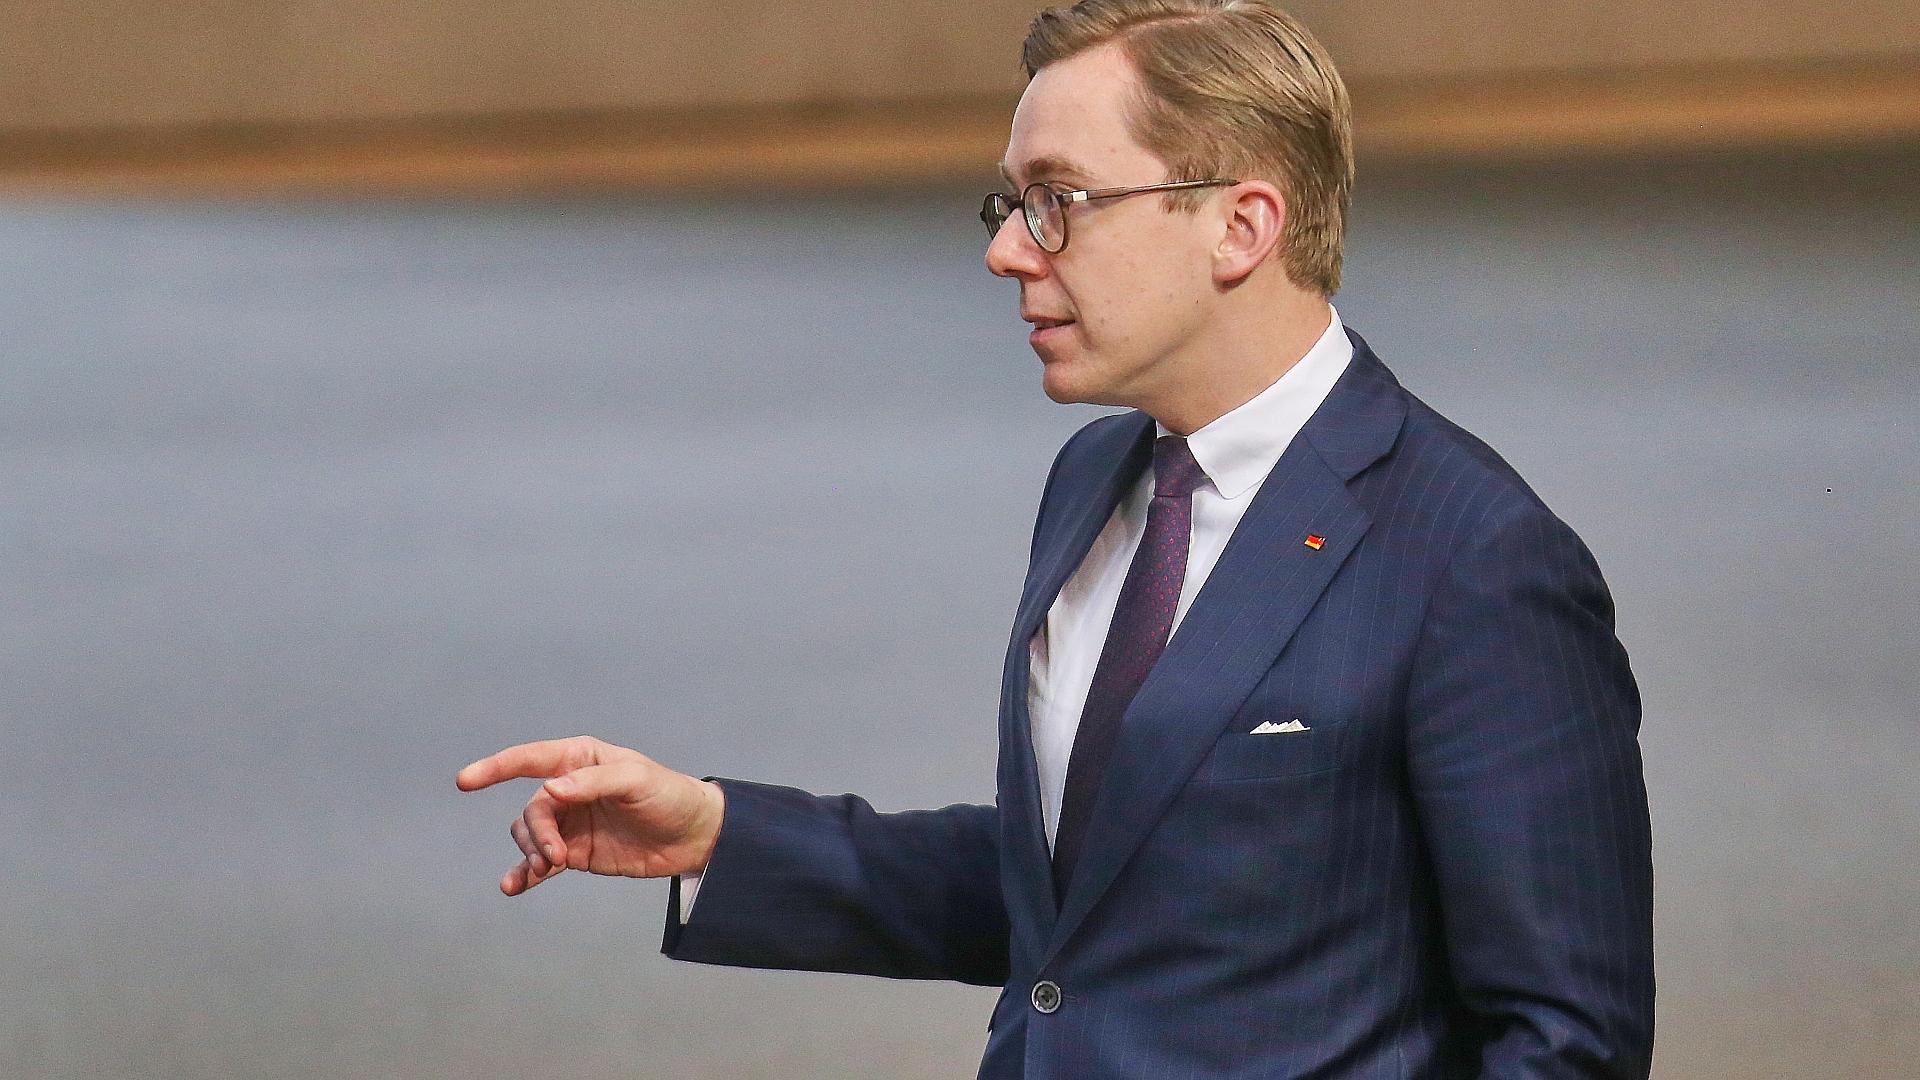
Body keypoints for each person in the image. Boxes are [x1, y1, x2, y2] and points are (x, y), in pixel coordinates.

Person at [456, 2, 1655, 1076]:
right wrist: (721, 835)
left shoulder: (1476, 560)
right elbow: (1090, 902)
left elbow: (1569, 1042)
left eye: (1059, 202)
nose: (1006, 248)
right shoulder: (1096, 481)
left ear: (1240, 226)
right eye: (1011, 203)